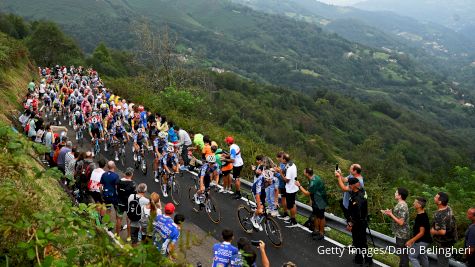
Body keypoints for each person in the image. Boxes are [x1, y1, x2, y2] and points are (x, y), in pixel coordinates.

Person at [296, 167, 328, 240]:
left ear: (307, 173)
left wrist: (299, 186)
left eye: (304, 171)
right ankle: (316, 230)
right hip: (316, 200)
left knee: (321, 217)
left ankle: (321, 233)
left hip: (320, 201)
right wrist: (311, 200)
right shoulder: (314, 177)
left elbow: (307, 193)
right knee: (316, 215)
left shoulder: (313, 182)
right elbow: (312, 192)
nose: (303, 172)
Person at [347, 177, 372, 265]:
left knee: (361, 242)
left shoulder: (358, 197)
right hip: (359, 221)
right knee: (357, 241)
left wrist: (351, 223)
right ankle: (359, 258)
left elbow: (358, 212)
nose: (349, 186)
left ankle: (368, 260)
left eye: (350, 184)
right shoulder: (359, 192)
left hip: (359, 222)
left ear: (353, 185)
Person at [383, 188, 410, 267]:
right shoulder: (400, 204)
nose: (394, 193)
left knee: (403, 255)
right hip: (400, 233)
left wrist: (391, 214)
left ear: (400, 195)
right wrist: (389, 213)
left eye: (396, 192)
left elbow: (401, 222)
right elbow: (398, 218)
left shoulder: (402, 206)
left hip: (402, 234)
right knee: (402, 254)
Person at [430, 192, 458, 267]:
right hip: (450, 241)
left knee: (442, 263)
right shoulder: (448, 208)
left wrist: (433, 231)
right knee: (444, 261)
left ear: (440, 202)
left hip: (443, 244)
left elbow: (442, 232)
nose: (434, 198)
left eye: (436, 197)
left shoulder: (439, 214)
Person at [406, 197, 432, 267]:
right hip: (425, 240)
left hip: (422, 241)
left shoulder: (422, 217)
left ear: (419, 205)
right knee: (423, 257)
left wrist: (411, 241)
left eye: (415, 202)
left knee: (412, 256)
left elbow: (421, 233)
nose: (413, 203)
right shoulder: (421, 215)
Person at [275, 153, 299, 226]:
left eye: (282, 158)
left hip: (290, 189)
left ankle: (293, 221)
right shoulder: (292, 164)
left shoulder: (289, 168)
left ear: (284, 160)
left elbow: (286, 180)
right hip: (293, 187)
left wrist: (280, 173)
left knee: (291, 205)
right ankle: (293, 218)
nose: (281, 160)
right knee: (293, 204)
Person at [117, 167, 137, 238]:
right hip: (128, 204)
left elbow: (118, 191)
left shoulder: (119, 181)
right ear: (131, 174)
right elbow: (134, 195)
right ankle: (128, 236)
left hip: (120, 203)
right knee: (128, 221)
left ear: (125, 173)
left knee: (119, 219)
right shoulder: (133, 184)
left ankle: (118, 235)